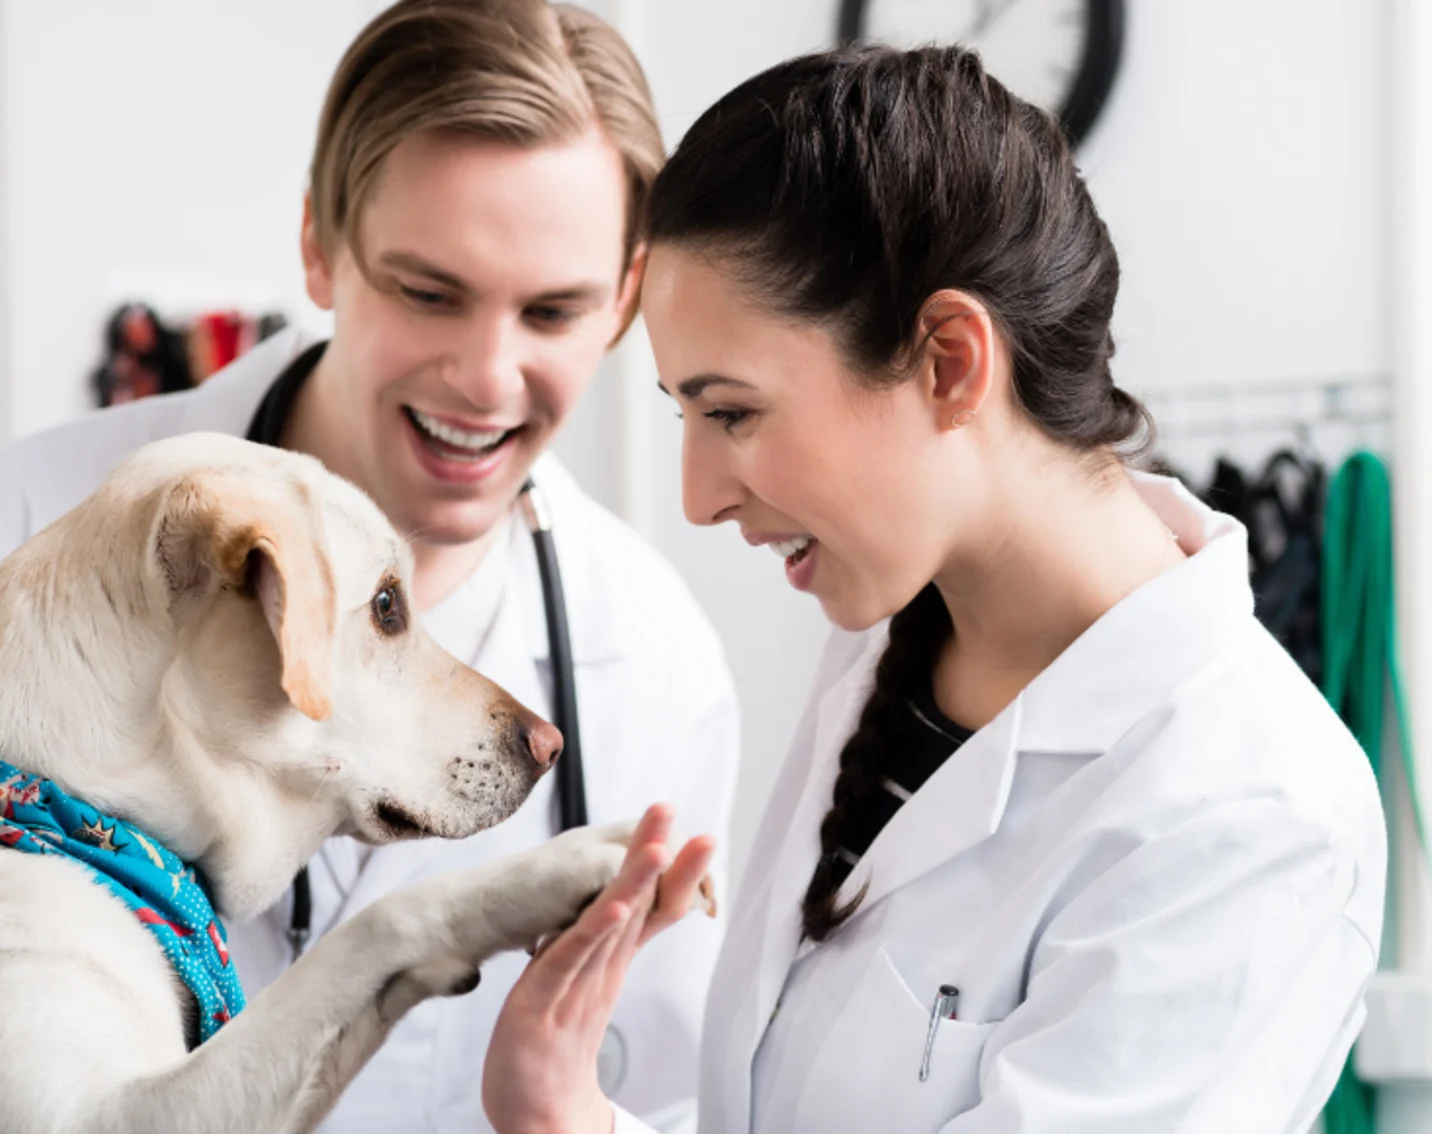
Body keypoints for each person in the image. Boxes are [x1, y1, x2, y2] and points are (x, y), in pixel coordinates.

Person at [0, 3, 738, 1132]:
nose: (487, 378)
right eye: (428, 291)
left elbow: (680, 1106)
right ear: (319, 247)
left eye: (553, 310)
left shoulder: (659, 661)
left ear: (626, 297)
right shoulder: (13, 522)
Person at [478, 46, 1388, 1133]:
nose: (697, 498)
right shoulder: (889, 650)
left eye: (731, 413)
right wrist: (572, 1118)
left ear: (952, 360)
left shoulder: (1250, 811)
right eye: (685, 415)